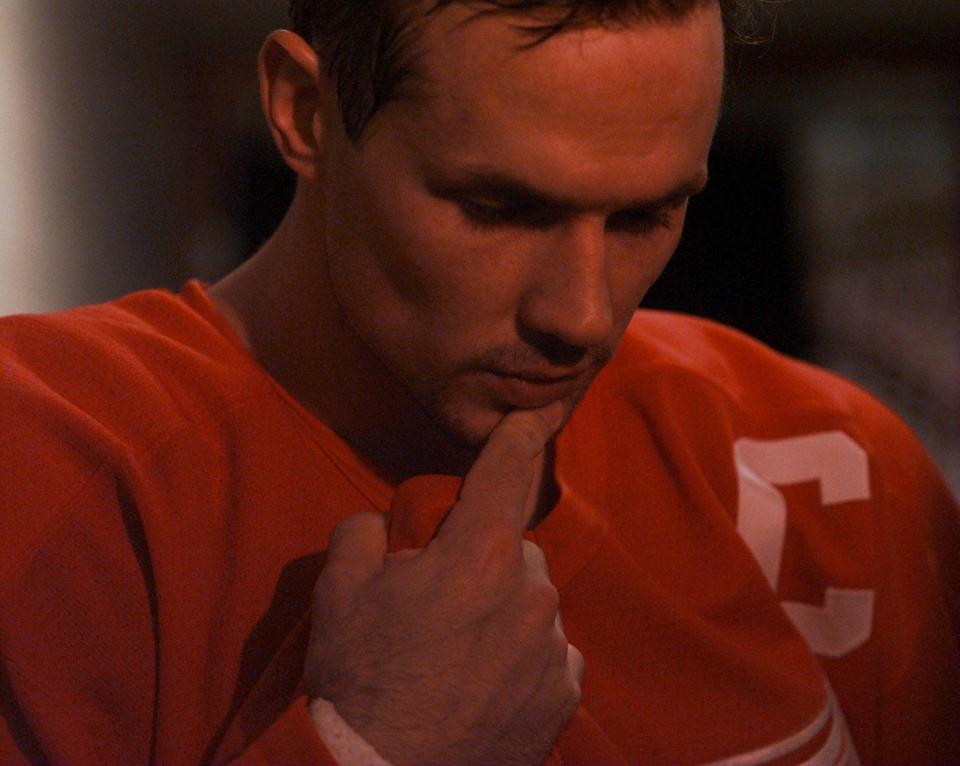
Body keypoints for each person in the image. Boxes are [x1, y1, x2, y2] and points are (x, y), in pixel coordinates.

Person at [1, 0, 958, 763]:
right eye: (499, 208)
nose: (582, 316)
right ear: (303, 109)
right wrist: (379, 748)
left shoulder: (828, 468)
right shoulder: (50, 458)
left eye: (646, 218)